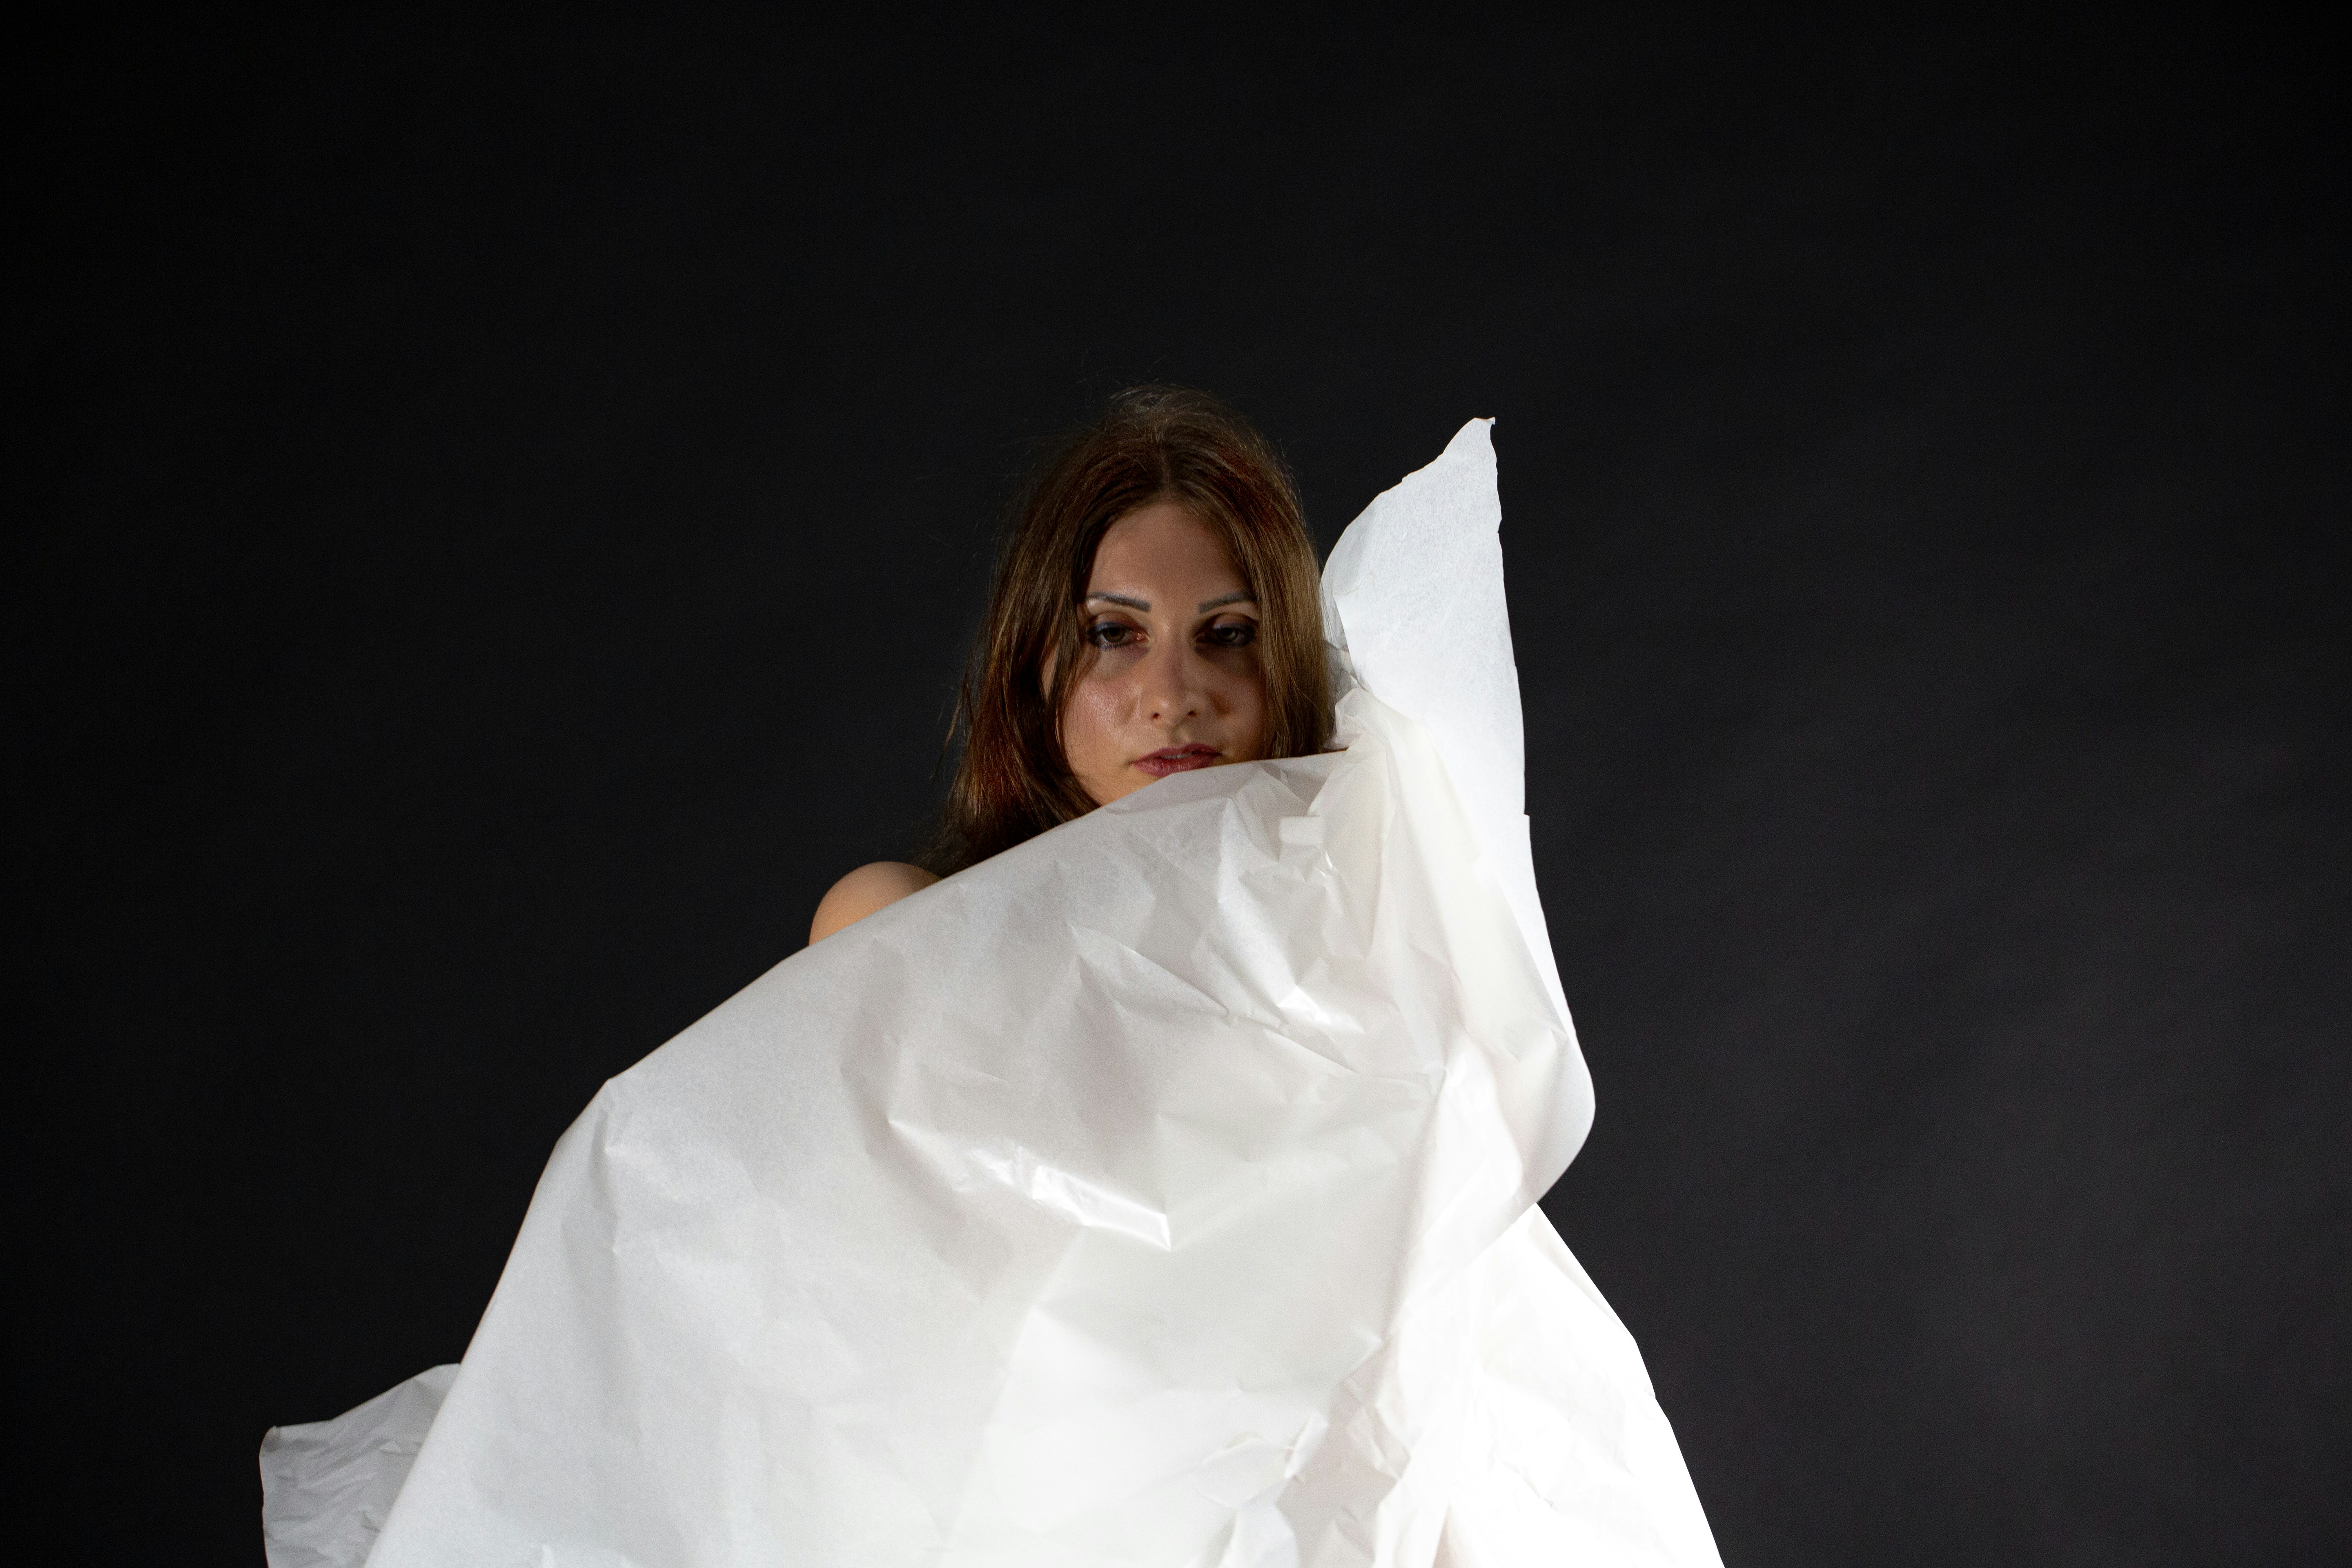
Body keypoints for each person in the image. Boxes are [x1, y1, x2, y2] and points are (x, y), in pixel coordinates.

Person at [809, 386, 1331, 942]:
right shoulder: (901, 919)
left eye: (1228, 634)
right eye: (1112, 634)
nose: (1173, 699)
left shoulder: (1377, 912)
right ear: (1032, 665)